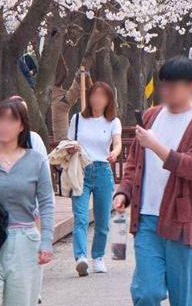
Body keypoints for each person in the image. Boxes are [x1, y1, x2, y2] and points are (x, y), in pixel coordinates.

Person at [113, 56, 192, 306]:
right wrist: (124, 192)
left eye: (174, 85)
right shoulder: (151, 116)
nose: (167, 90)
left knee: (184, 299)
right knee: (146, 292)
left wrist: (156, 146)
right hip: (147, 219)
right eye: (164, 84)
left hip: (185, 222)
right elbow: (135, 162)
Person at [0, 98, 54, 306]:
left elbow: (46, 203)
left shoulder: (36, 160)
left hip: (24, 243)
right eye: (0, 120)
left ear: (22, 126)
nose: (4, 125)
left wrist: (46, 241)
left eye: (11, 120)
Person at [67, 80, 123, 276]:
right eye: (94, 95)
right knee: (81, 218)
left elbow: (117, 143)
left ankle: (98, 257)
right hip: (81, 170)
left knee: (103, 221)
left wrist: (114, 152)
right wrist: (72, 147)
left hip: (103, 170)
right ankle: (80, 257)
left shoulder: (113, 122)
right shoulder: (77, 119)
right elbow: (69, 142)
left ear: (108, 100)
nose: (97, 99)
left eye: (102, 96)